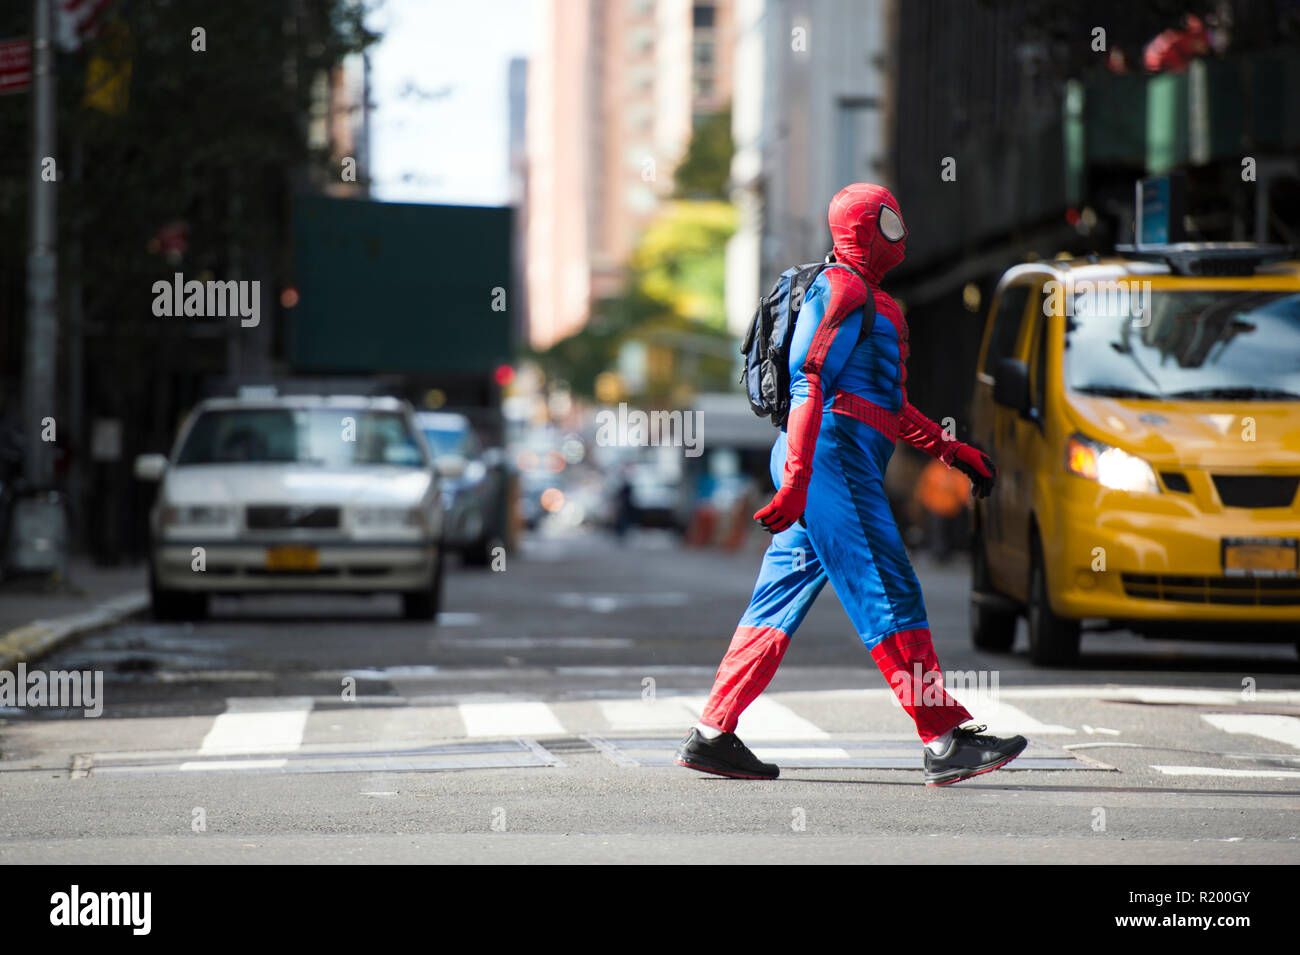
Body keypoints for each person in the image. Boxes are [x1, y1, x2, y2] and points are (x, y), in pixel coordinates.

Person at [675, 183, 1026, 786]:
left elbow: (887, 405)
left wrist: (954, 451)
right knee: (889, 589)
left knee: (776, 602)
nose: (901, 232)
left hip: (829, 461)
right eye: (889, 220)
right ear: (863, 228)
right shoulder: (841, 289)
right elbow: (810, 380)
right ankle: (942, 739)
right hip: (830, 461)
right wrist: (797, 478)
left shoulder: (872, 300)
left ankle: (713, 733)